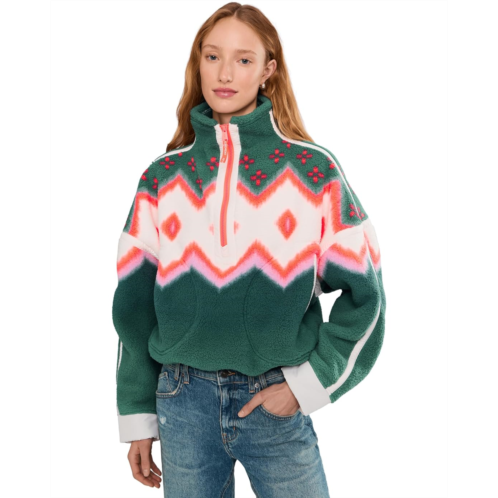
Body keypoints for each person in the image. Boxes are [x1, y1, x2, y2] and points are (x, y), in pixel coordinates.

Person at [112, 3, 386, 497]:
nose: (224, 73)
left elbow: (367, 297)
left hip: (274, 399)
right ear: (198, 63)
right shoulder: (162, 178)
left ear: (268, 70)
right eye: (212, 56)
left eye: (243, 60)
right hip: (181, 402)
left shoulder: (314, 172)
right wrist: (137, 413)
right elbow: (133, 308)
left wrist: (307, 386)